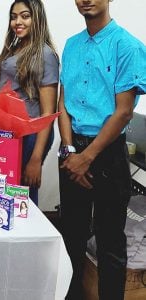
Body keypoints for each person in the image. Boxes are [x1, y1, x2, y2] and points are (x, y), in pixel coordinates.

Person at [58, 1, 146, 299]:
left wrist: (86, 158)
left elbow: (123, 113)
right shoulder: (71, 45)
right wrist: (70, 151)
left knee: (110, 242)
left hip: (107, 154)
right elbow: (63, 101)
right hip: (72, 152)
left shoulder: (128, 46)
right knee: (71, 235)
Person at [0, 0, 59, 206]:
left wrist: (36, 159)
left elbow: (48, 112)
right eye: (13, 16)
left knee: (23, 195)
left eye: (25, 16)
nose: (17, 22)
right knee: (3, 192)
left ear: (37, 19)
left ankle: (27, 237)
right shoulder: (14, 48)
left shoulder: (45, 54)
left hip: (30, 135)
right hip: (8, 132)